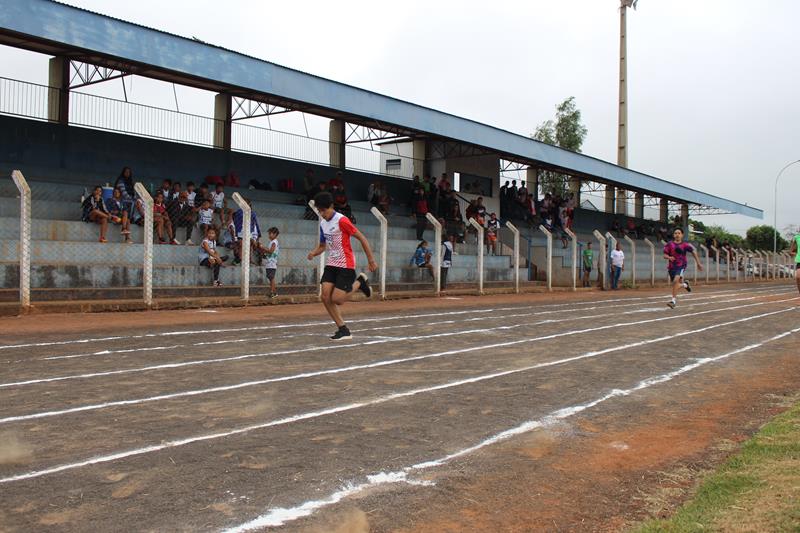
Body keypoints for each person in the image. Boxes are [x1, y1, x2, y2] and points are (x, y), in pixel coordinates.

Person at [306, 191, 378, 340]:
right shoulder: (323, 224)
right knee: (325, 296)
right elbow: (322, 246)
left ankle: (360, 282)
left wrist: (371, 260)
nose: (322, 214)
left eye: (323, 210)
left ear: (331, 206)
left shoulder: (342, 221)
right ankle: (343, 329)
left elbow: (362, 238)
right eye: (319, 211)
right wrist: (314, 252)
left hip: (346, 264)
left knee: (338, 300)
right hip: (332, 263)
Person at [664, 228, 703, 308]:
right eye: (675, 233)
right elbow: (664, 255)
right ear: (673, 235)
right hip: (672, 266)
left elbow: (693, 252)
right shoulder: (669, 244)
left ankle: (673, 301)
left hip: (681, 265)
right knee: (676, 284)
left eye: (679, 233)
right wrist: (669, 257)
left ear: (682, 235)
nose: (677, 234)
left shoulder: (685, 245)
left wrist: (698, 263)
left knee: (675, 281)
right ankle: (685, 285)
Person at [264, 227, 280, 299]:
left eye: (270, 233)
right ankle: (273, 291)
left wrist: (263, 248)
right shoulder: (272, 242)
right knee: (270, 278)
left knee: (271, 278)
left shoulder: (274, 242)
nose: (269, 235)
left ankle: (273, 292)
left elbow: (271, 251)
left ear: (275, 234)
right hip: (270, 263)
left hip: (271, 263)